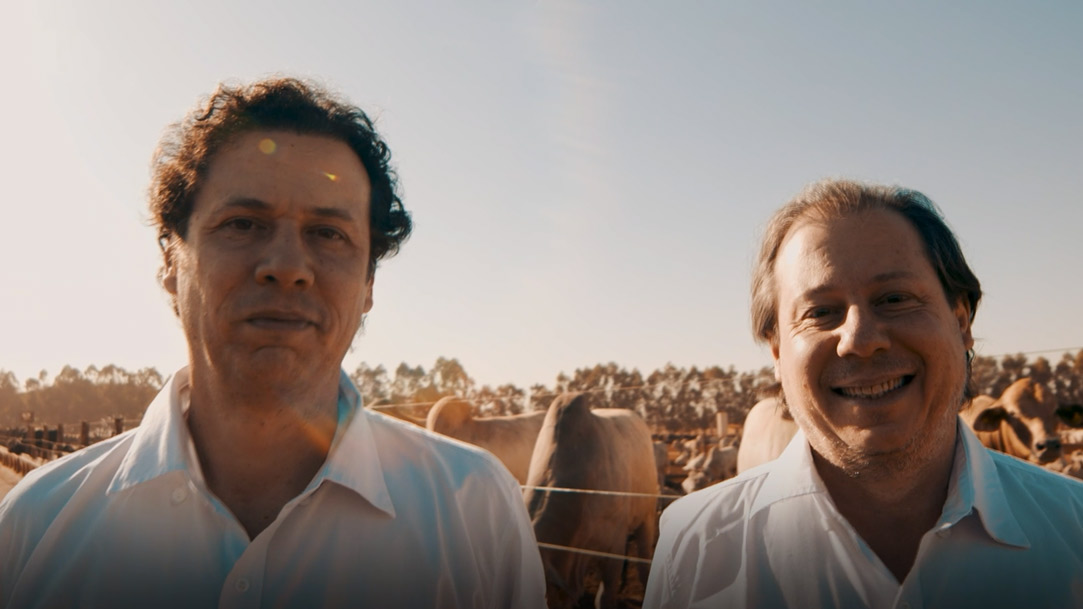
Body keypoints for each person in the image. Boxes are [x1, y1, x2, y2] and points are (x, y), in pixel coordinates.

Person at [0, 77, 547, 609]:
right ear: (170, 260)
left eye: (328, 234)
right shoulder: (36, 526)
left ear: (368, 285)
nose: (287, 266)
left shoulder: (475, 512)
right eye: (243, 224)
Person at [644, 179, 1083, 608]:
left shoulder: (1074, 526)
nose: (859, 339)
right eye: (820, 312)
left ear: (961, 321)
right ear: (777, 352)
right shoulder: (695, 550)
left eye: (894, 299)